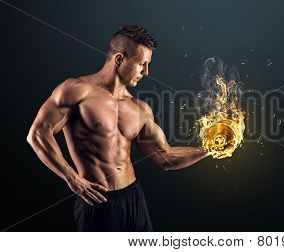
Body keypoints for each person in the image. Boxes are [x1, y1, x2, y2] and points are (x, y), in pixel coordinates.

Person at [26, 25, 209, 231]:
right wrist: (72, 177)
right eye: (142, 64)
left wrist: (211, 148)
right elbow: (37, 134)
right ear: (119, 59)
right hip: (97, 201)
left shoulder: (140, 108)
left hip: (134, 199)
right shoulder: (76, 91)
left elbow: (165, 158)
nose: (146, 72)